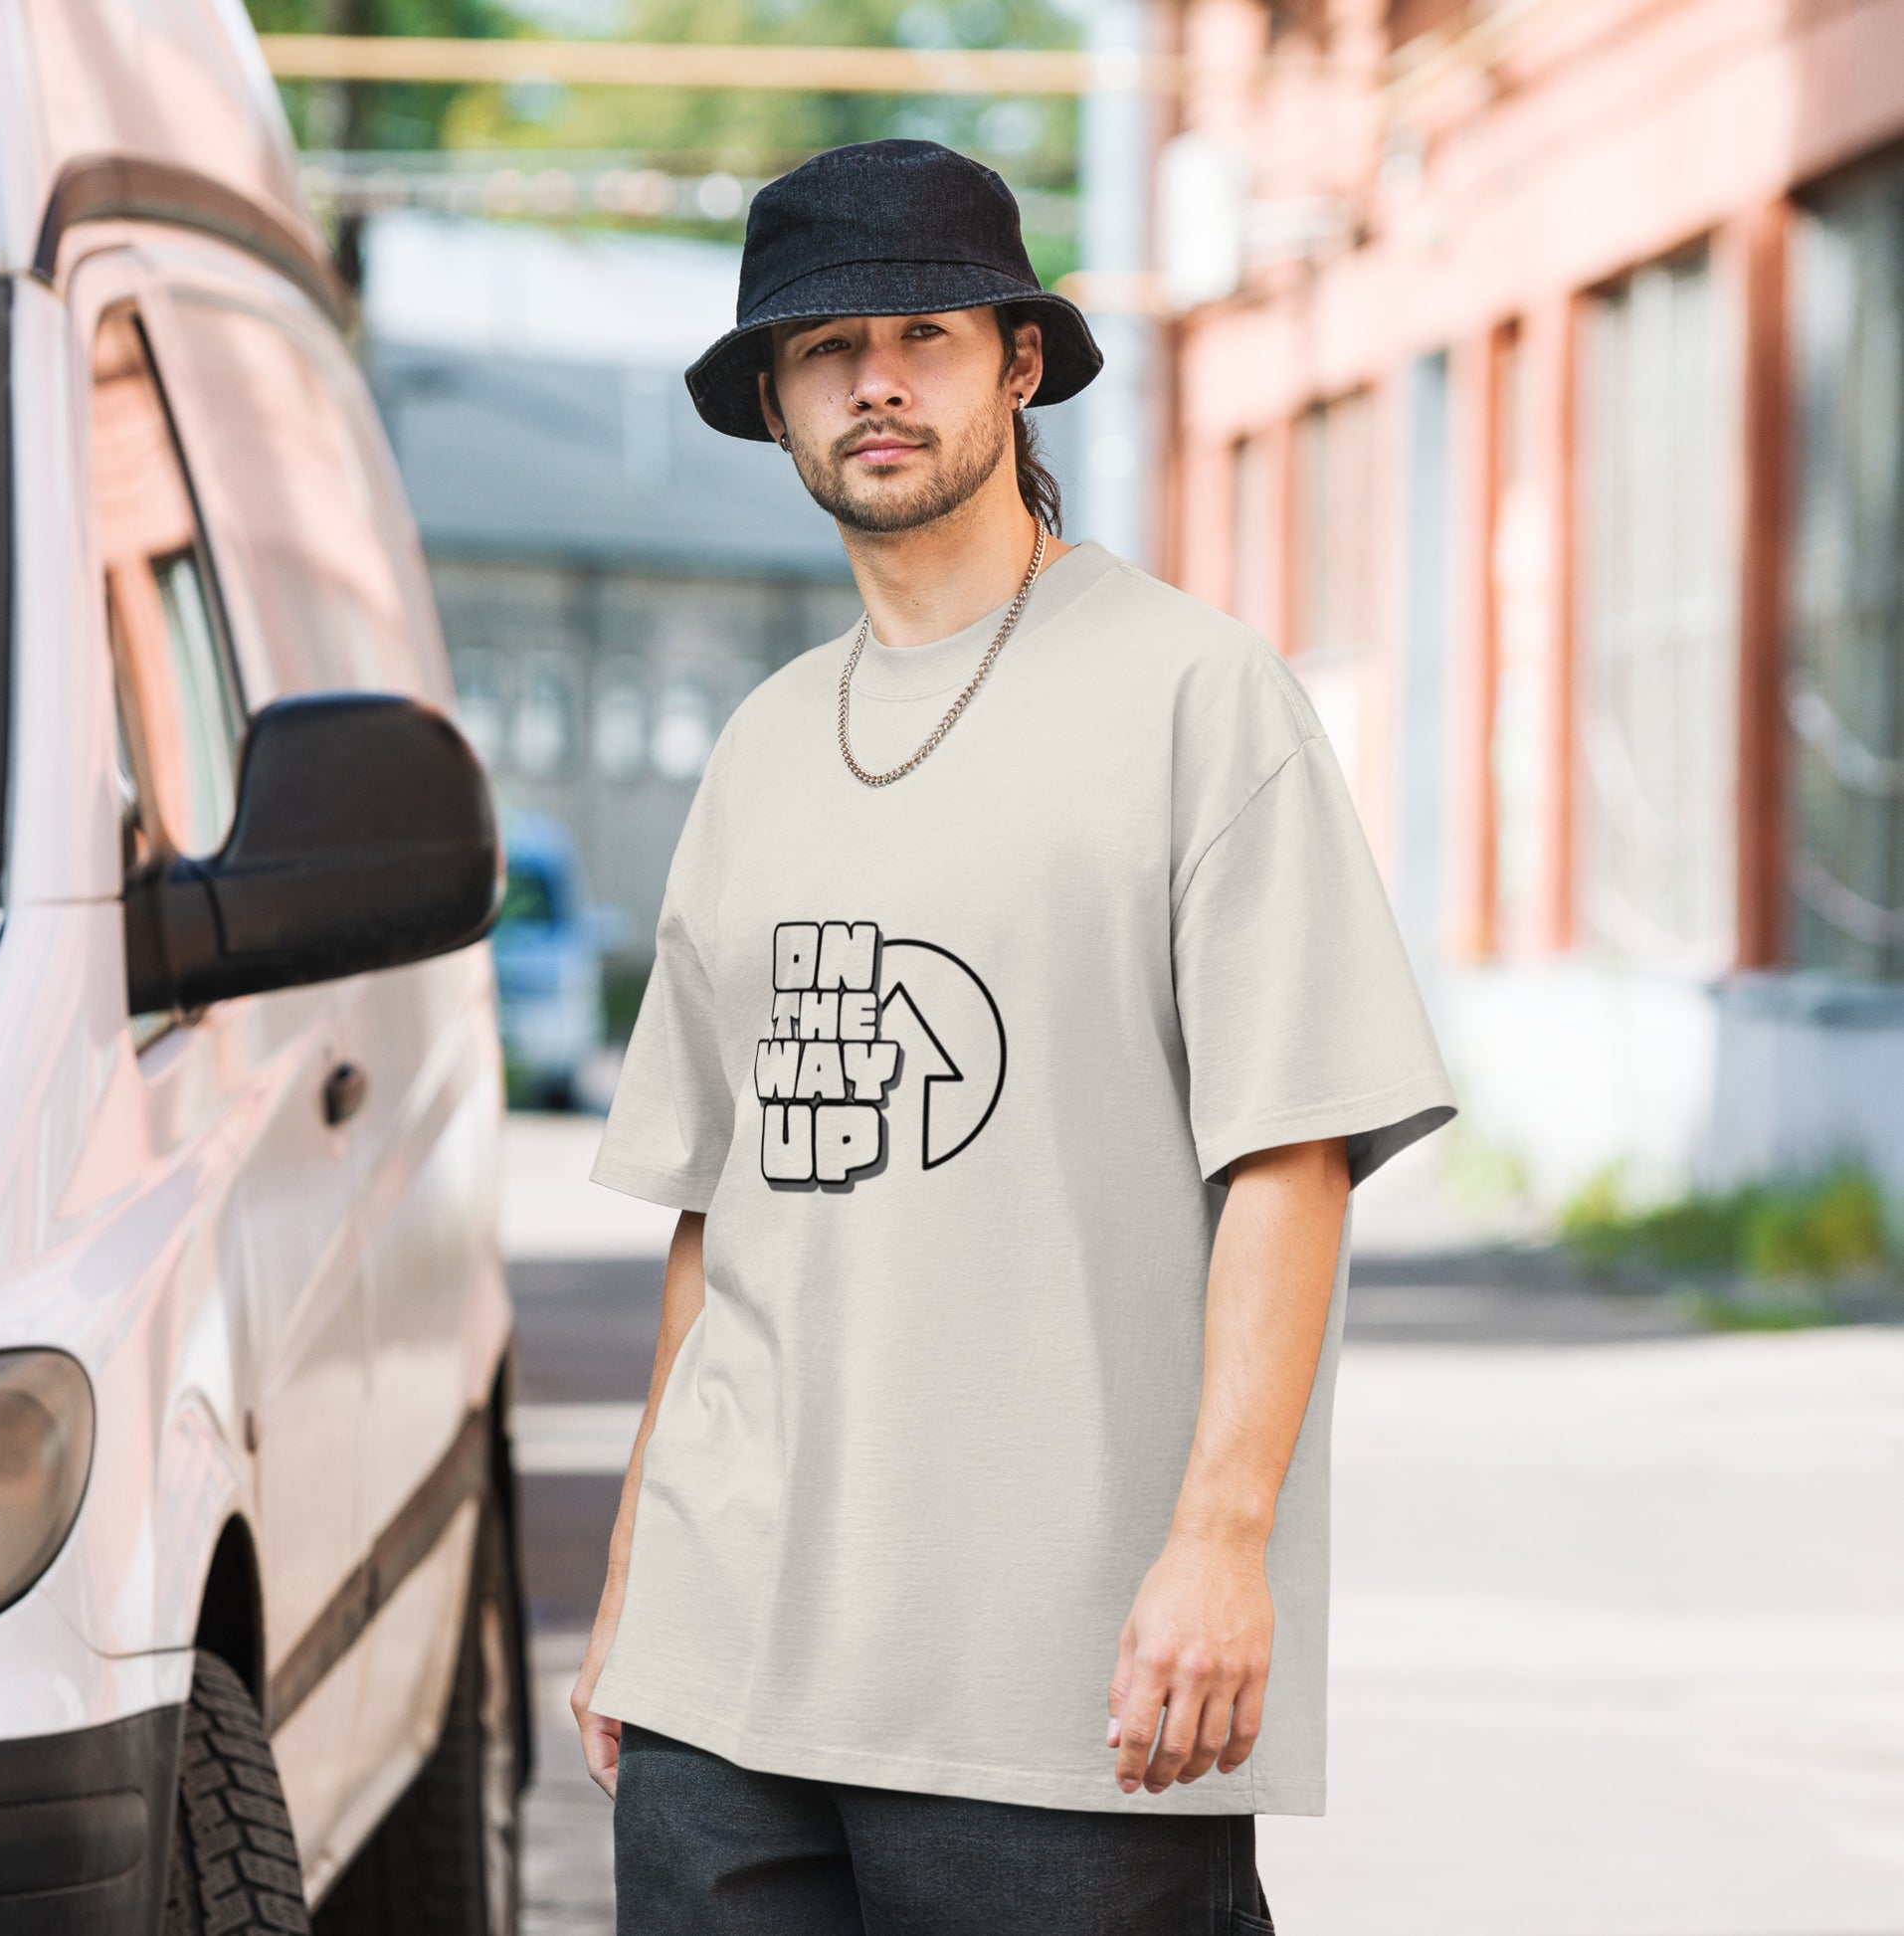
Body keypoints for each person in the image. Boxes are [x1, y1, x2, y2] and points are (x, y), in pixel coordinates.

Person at [571, 137, 1459, 1935]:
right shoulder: (753, 749)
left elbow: (1291, 1156)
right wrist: (632, 1577)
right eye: (823, 349)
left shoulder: (1196, 696)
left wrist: (1221, 1542)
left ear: (1019, 363)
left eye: (921, 332)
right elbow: (714, 1215)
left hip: (1060, 1693)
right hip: (723, 1682)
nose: (874, 380)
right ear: (773, 400)